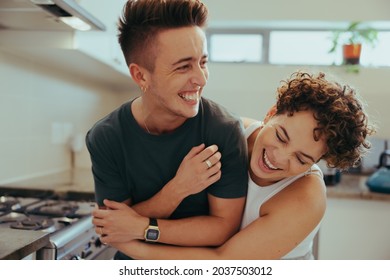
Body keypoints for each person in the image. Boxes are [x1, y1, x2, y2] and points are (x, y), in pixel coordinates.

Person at [102, 71, 375, 260]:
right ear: (270, 114)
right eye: (280, 136)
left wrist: (135, 243)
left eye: (302, 159)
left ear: (317, 162)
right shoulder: (226, 134)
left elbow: (225, 260)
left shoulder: (306, 197)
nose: (279, 158)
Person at [86, 0, 248, 260]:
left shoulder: (224, 130)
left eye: (202, 62)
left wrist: (142, 227)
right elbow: (114, 226)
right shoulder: (106, 137)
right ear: (141, 76)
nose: (201, 78)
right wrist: (178, 189)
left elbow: (222, 228)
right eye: (184, 66)